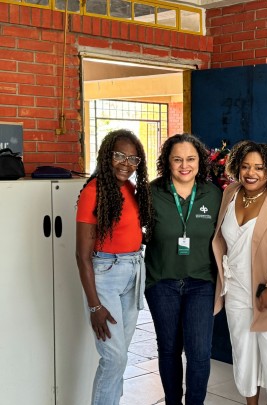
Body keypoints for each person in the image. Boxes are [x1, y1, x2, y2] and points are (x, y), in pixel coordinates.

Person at [212, 140, 267, 405]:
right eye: (246, 166)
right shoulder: (230, 193)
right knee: (244, 354)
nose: (251, 173)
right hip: (236, 289)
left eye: (259, 168)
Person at [76, 129, 154, 405]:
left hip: (134, 271)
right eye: (120, 155)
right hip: (105, 275)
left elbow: (129, 230)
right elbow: (82, 255)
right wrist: (95, 306)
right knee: (114, 356)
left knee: (119, 356)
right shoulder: (93, 191)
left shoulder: (132, 189)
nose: (126, 163)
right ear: (107, 155)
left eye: (133, 159)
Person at [144, 133, 222, 405]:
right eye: (177, 159)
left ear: (200, 160)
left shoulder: (213, 194)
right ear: (167, 161)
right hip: (161, 281)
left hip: (201, 282)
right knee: (168, 350)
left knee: (199, 353)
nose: (184, 165)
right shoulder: (151, 193)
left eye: (190, 159)